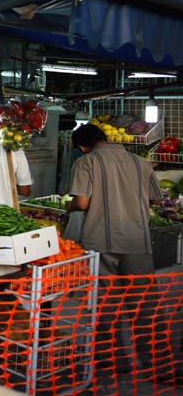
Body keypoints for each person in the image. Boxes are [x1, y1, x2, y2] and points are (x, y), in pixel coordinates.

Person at [67, 123, 166, 379]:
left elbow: (81, 202)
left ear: (82, 146)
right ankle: (159, 365)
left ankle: (114, 361)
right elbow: (156, 199)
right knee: (145, 305)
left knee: (105, 304)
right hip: (137, 240)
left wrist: (68, 207)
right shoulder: (140, 163)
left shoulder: (86, 162)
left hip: (101, 241)